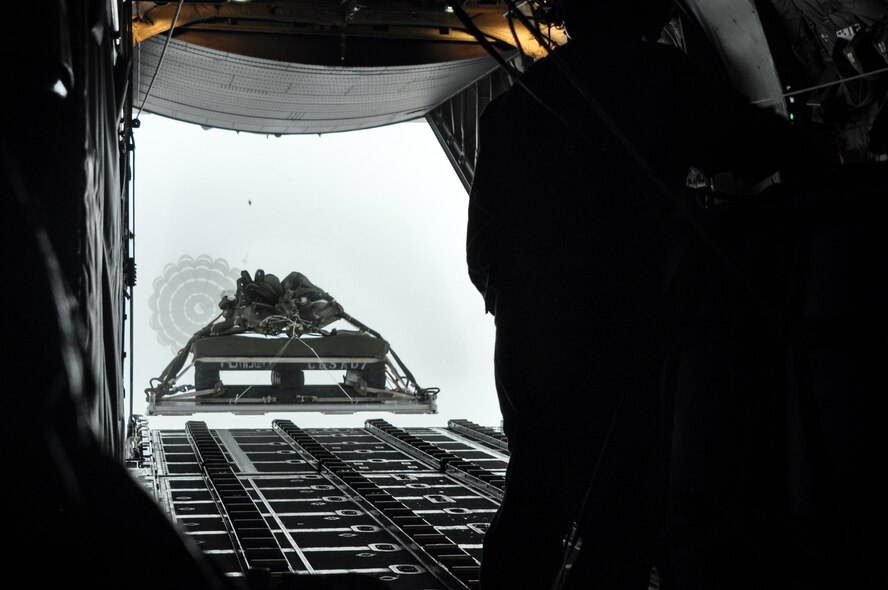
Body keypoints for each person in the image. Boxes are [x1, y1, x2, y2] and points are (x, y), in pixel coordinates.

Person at [466, 1, 825, 588]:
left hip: (534, 345)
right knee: (623, 517)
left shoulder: (511, 110)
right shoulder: (657, 74)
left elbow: (484, 252)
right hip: (625, 330)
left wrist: (530, 306)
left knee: (534, 505)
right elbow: (748, 145)